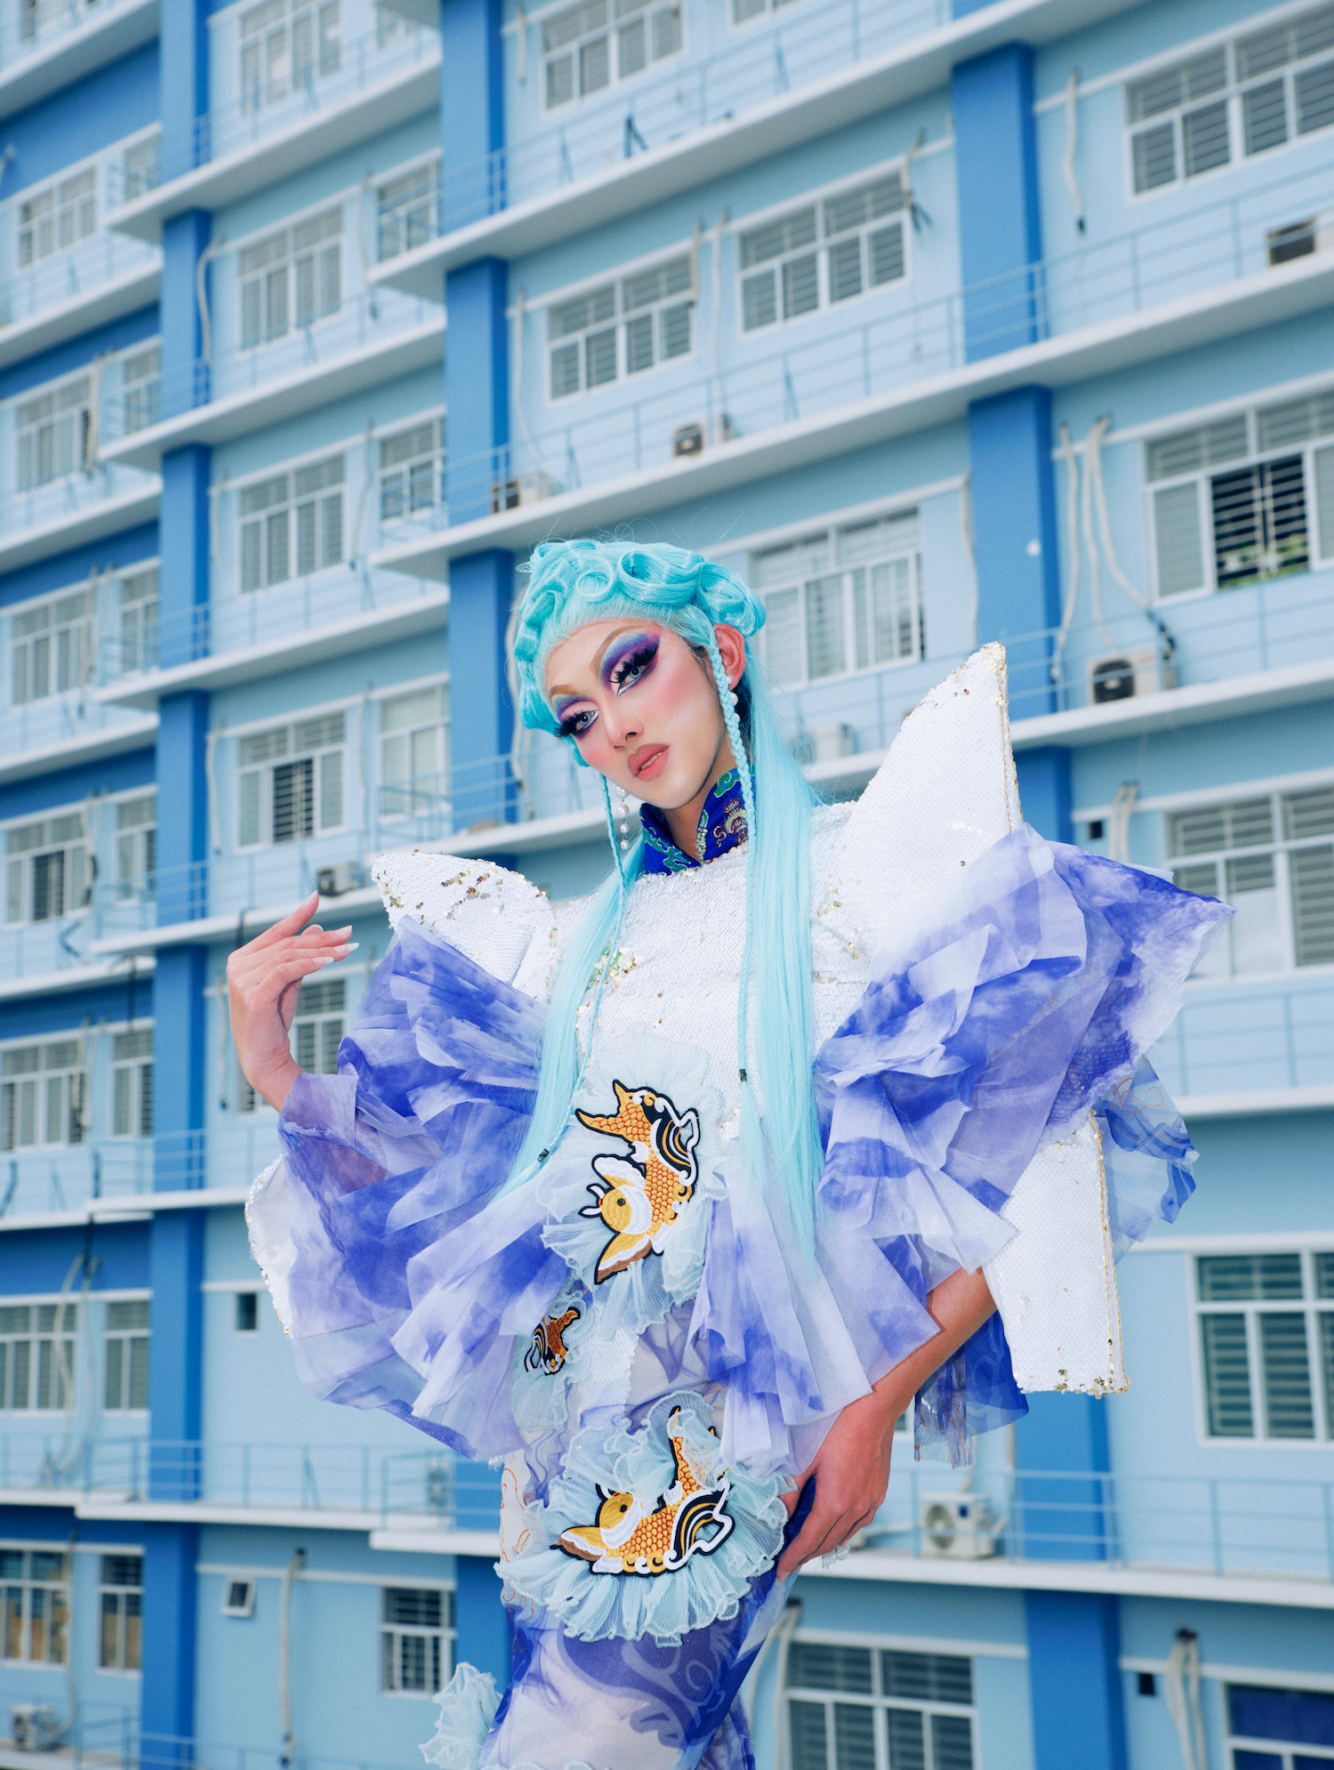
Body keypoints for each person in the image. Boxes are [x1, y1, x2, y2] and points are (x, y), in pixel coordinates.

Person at [231, 538, 1226, 1770]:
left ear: (724, 653)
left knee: (580, 1750)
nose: (614, 730)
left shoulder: (866, 875)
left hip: (724, 1445)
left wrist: (870, 1410)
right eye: (579, 718)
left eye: (633, 669)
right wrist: (275, 1070)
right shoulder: (589, 938)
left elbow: (1016, 1162)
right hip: (564, 1442)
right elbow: (468, 1195)